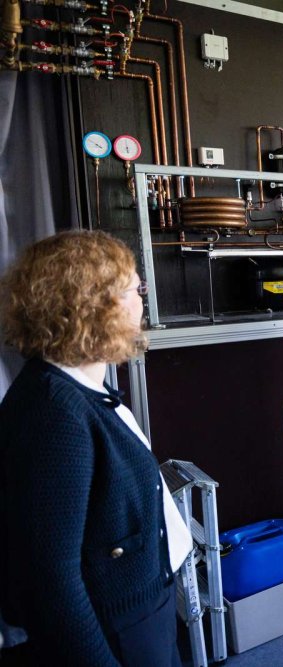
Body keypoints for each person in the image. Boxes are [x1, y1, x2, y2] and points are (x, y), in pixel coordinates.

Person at [0, 230, 192, 666]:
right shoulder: (54, 414)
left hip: (141, 616)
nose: (142, 300)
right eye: (132, 289)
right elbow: (50, 584)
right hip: (113, 636)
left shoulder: (82, 389)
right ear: (91, 307)